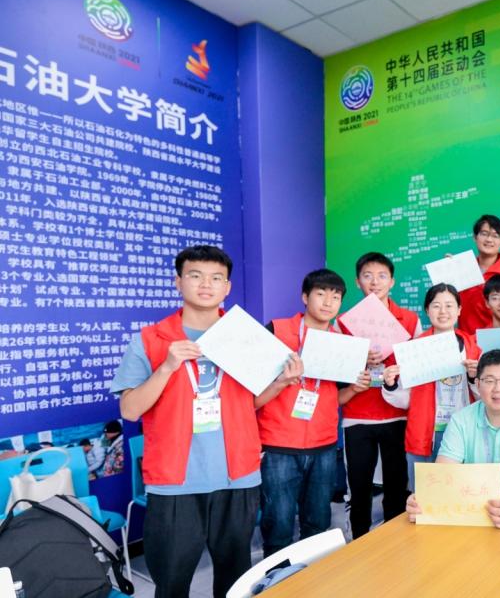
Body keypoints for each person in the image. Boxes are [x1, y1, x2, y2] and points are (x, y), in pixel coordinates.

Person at [112, 245, 266, 598]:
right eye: (195, 276)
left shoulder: (245, 337)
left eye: (216, 278)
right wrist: (167, 367)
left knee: (235, 579)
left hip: (238, 475)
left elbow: (250, 403)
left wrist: (281, 382)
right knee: (172, 582)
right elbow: (130, 410)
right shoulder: (150, 339)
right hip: (175, 482)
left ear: (227, 287)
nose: (206, 285)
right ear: (178, 282)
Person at [256, 268, 371, 557]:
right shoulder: (276, 331)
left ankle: (313, 578)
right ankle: (277, 578)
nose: (328, 302)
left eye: (336, 296)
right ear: (305, 297)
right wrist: (282, 381)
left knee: (317, 523)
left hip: (323, 445)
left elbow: (336, 398)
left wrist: (355, 389)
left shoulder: (343, 343)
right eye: (321, 294)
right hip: (279, 444)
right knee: (278, 524)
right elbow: (252, 391)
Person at [405, 349, 500, 528]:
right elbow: (444, 470)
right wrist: (425, 500)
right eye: (489, 381)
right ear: (478, 384)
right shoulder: (461, 420)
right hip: (473, 514)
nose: (498, 389)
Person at [342, 252, 422, 538]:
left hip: (396, 415)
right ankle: (359, 540)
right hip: (357, 416)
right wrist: (359, 358)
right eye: (367, 276)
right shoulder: (343, 322)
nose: (374, 282)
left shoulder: (410, 320)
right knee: (359, 485)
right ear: (357, 282)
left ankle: (394, 541)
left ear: (392, 282)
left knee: (397, 484)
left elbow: (418, 367)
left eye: (381, 276)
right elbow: (334, 370)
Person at [380, 284, 482, 490]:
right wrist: (390, 385)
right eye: (436, 306)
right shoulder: (414, 349)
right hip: (426, 433)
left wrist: (474, 378)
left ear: (459, 310)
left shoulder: (473, 348)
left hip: (464, 432)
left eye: (449, 305)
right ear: (427, 310)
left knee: (463, 495)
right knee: (425, 498)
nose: (443, 311)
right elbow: (405, 401)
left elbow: (486, 398)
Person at [458, 215, 500, 334]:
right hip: (466, 342)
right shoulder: (461, 271)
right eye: (484, 234)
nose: (489, 239)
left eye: (495, 236)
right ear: (475, 237)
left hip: (495, 342)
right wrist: (448, 270)